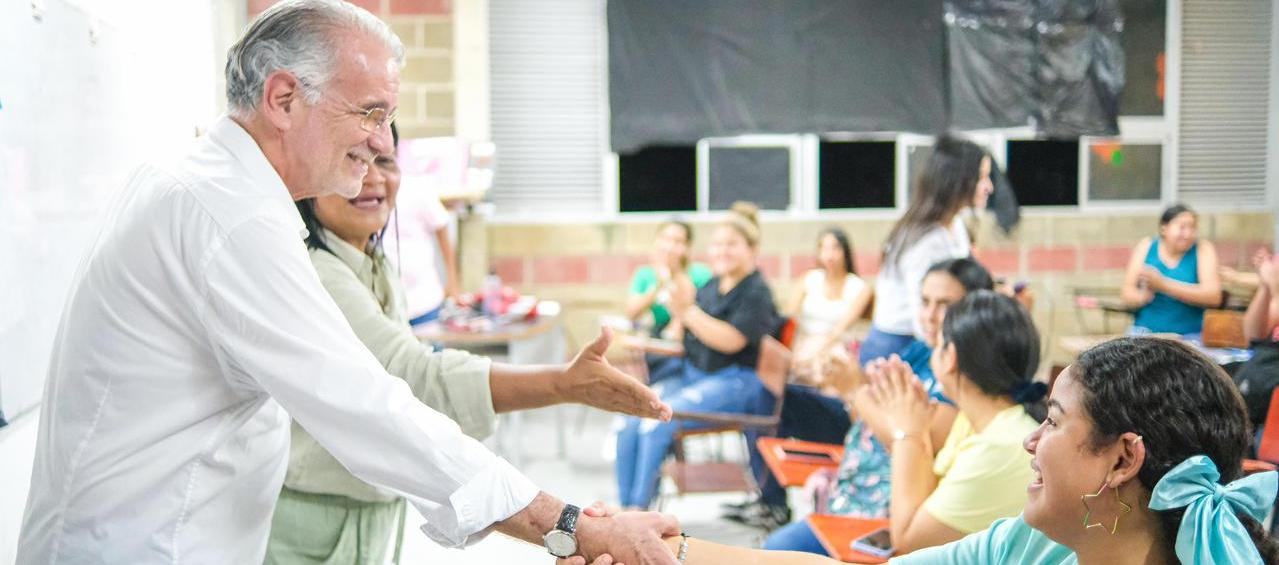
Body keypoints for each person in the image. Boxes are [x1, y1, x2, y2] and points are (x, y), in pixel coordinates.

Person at [16, 2, 679, 563]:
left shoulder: (213, 186)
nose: (379, 140)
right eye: (367, 112)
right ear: (282, 99)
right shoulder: (230, 216)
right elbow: (368, 404)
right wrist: (573, 525)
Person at [266, 123, 675, 563]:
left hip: (367, 504)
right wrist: (561, 385)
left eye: (384, 160)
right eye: (353, 160)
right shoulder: (319, 272)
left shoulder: (371, 261)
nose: (373, 177)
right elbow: (413, 376)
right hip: (314, 518)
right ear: (310, 176)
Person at [567, 337, 1279, 565]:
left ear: (1122, 459)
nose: (1035, 438)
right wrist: (669, 545)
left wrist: (905, 434)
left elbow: (903, 532)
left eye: (1054, 422)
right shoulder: (1033, 544)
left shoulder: (999, 450)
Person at [766, 290, 1043, 554]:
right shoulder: (978, 422)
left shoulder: (998, 444)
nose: (930, 317)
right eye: (926, 301)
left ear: (950, 359)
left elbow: (909, 542)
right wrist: (913, 429)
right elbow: (926, 494)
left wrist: (907, 432)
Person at [730, 258, 992, 532]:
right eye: (925, 302)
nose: (930, 315)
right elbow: (867, 415)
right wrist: (840, 378)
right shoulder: (921, 349)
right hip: (859, 479)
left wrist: (854, 388)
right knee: (769, 397)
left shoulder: (966, 372)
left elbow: (910, 439)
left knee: (777, 548)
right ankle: (771, 502)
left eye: (945, 305)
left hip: (884, 504)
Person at [615, 201, 779, 510]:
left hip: (734, 382)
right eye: (717, 245)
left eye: (731, 245)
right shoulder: (716, 283)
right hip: (693, 374)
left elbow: (732, 340)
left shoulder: (756, 291)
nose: (722, 251)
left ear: (752, 249)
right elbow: (683, 327)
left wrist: (688, 313)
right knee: (631, 419)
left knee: (658, 421)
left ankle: (638, 514)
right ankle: (625, 510)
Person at [865, 135, 994, 365]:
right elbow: (923, 320)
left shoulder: (954, 224)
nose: (989, 187)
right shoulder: (925, 242)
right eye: (982, 178)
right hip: (901, 347)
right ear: (958, 180)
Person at [626, 219, 713, 384]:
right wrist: (659, 282)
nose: (669, 246)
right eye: (665, 238)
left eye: (677, 241)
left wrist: (677, 272)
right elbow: (632, 313)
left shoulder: (701, 274)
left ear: (687, 247)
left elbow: (694, 307)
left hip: (692, 346)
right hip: (658, 345)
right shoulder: (645, 275)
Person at [1120, 204, 1222, 336]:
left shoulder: (1203, 249)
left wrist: (1163, 285)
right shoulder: (1146, 246)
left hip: (1189, 335)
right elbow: (1126, 292)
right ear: (1164, 228)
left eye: (1192, 228)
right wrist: (1142, 297)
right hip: (1146, 332)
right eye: (1182, 227)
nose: (1188, 234)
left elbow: (1213, 296)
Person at [786, 227, 872, 380]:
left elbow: (839, 330)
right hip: (804, 343)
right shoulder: (809, 279)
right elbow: (790, 317)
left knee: (823, 367)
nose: (830, 255)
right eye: (824, 248)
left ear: (845, 252)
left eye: (835, 248)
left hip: (838, 345)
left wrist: (815, 351)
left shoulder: (859, 288)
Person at [382, 159, 460, 326]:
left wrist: (452, 281)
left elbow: (442, 228)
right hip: (383, 307)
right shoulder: (358, 191)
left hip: (424, 301)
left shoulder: (416, 188)